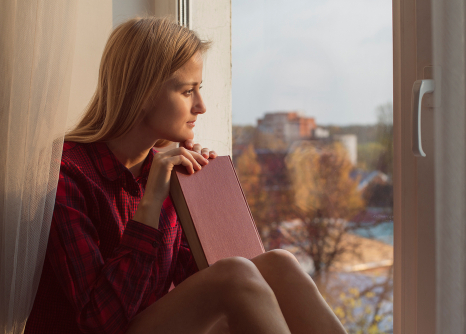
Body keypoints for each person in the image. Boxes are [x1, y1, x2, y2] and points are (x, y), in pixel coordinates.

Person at [25, 17, 347, 334]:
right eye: (187, 91)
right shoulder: (67, 172)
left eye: (200, 89)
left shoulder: (164, 169)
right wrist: (151, 202)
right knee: (234, 275)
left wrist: (206, 201)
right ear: (144, 92)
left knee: (279, 264)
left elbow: (206, 281)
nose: (202, 106)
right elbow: (100, 321)